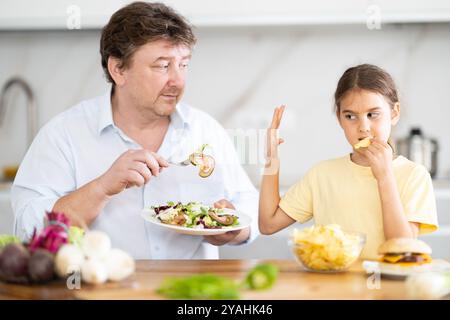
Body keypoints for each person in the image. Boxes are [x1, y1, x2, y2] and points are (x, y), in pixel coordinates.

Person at [11, 2, 258, 259]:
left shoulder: (206, 131)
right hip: (101, 292)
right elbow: (27, 229)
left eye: (183, 64)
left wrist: (235, 229)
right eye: (162, 66)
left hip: (191, 293)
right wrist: (101, 188)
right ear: (118, 69)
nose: (178, 80)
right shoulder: (63, 135)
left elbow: (246, 203)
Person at [259, 64, 438, 259]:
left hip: (388, 287)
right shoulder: (322, 174)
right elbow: (268, 224)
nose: (363, 128)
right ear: (339, 118)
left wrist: (384, 176)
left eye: (372, 114)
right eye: (351, 116)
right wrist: (271, 158)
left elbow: (403, 250)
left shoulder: (414, 175)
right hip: (333, 284)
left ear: (394, 113)